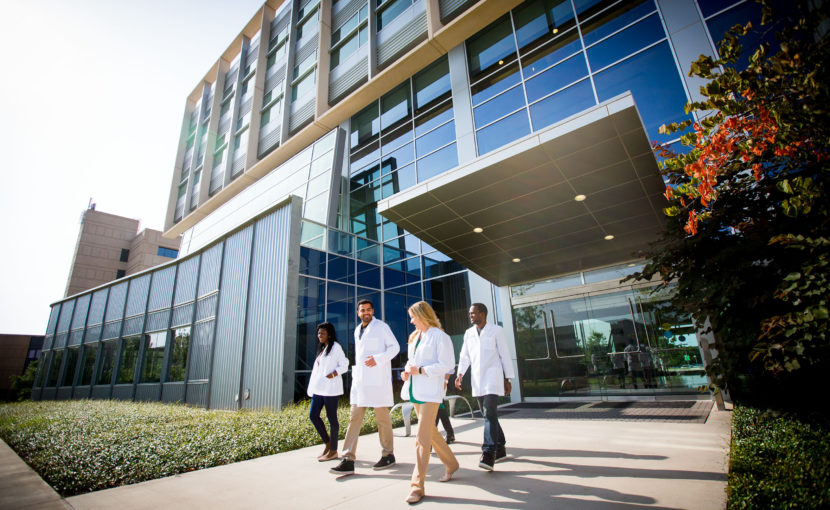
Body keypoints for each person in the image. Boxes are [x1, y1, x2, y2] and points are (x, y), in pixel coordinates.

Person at [330, 299, 400, 476]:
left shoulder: (381, 327)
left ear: (373, 311)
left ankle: (388, 454)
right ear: (358, 313)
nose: (366, 312)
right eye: (363, 310)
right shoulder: (356, 330)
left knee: (382, 420)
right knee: (354, 419)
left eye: (369, 310)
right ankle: (347, 459)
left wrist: (378, 359)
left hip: (377, 382)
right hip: (360, 383)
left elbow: (395, 347)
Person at [401, 301, 459, 504]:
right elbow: (412, 361)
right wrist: (407, 371)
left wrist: (422, 370)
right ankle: (451, 463)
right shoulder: (415, 337)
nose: (411, 321)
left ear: (423, 315)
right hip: (414, 390)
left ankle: (417, 486)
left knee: (422, 438)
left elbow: (447, 364)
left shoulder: (440, 337)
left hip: (430, 393)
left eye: (413, 316)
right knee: (430, 433)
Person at [455, 303, 515, 471]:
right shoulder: (469, 333)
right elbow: (464, 355)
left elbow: (504, 354)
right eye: (470, 313)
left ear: (483, 313)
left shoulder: (496, 330)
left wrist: (508, 378)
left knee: (489, 412)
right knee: (488, 414)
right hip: (477, 379)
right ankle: (501, 446)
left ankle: (489, 453)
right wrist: (460, 374)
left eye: (473, 313)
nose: (471, 316)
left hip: (493, 377)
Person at [307, 322, 349, 462]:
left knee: (332, 420)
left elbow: (345, 364)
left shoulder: (336, 347)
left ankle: (333, 451)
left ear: (329, 334)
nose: (319, 335)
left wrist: (334, 373)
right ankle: (328, 443)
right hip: (319, 389)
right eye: (318, 333)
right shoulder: (323, 348)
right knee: (313, 415)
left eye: (322, 333)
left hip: (330, 389)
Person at [434, 369, 455, 444]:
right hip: (429, 388)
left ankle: (430, 440)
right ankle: (450, 434)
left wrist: (445, 381)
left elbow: (450, 369)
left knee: (435, 413)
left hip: (439, 387)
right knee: (440, 412)